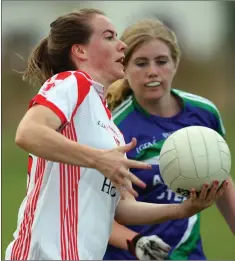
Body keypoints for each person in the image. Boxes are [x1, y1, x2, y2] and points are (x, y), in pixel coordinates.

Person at [5, 10, 228, 261]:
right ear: (80, 51)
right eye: (109, 37)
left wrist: (182, 209)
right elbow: (28, 132)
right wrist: (99, 159)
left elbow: (120, 208)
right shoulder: (72, 82)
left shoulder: (108, 122)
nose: (121, 45)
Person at [104, 18, 235, 260]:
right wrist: (137, 243)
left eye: (162, 61)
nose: (152, 71)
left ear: (175, 64)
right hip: (132, 254)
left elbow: (220, 177)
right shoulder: (113, 127)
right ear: (124, 68)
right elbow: (105, 213)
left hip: (188, 254)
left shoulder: (203, 113)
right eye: (141, 63)